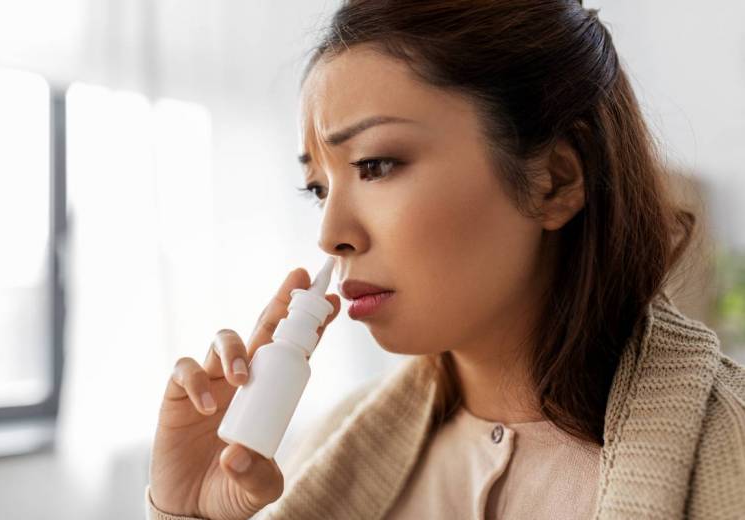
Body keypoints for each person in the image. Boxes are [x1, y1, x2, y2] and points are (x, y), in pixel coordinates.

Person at [145, 1, 745, 519]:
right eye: (319, 188)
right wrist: (190, 511)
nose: (331, 234)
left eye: (377, 165)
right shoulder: (325, 451)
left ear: (554, 181)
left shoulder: (732, 453)